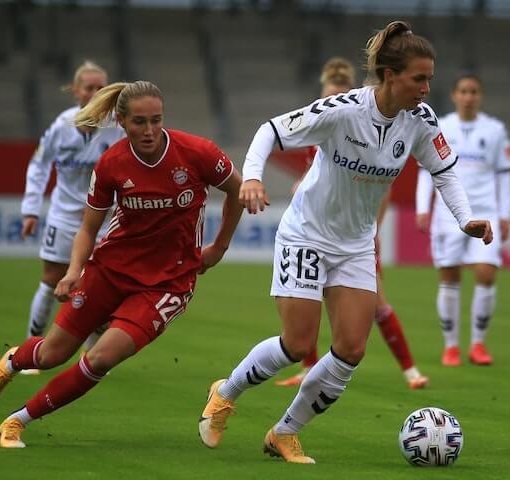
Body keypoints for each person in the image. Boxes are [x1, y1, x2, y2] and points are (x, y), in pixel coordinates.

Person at [198, 21, 492, 464]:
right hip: (306, 235)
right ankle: (226, 392)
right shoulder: (342, 110)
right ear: (391, 76)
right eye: (419, 78)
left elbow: (444, 171)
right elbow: (270, 132)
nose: (428, 88)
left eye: (430, 78)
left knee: (351, 349)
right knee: (298, 343)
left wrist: (466, 219)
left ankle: (284, 432)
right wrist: (253, 178)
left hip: (356, 243)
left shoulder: (421, 121)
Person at [0, 80, 244, 449]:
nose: (149, 131)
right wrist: (72, 272)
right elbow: (88, 228)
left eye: (156, 120)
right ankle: (11, 362)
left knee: (99, 358)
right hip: (110, 270)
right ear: (121, 121)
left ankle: (16, 422)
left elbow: (236, 191)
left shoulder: (197, 153)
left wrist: (219, 247)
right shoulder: (112, 163)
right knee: (52, 353)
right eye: (139, 122)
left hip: (167, 283)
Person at [276, 57, 429, 390]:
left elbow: (380, 190)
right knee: (307, 298)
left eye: (339, 95)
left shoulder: (364, 128)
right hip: (319, 231)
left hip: (357, 236)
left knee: (376, 304)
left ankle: (410, 369)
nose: (331, 102)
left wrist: (372, 233)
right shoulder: (316, 134)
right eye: (327, 96)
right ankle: (309, 368)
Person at [20, 61, 125, 372]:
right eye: (89, 87)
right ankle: (30, 348)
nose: (95, 93)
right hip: (63, 217)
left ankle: (92, 356)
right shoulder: (61, 126)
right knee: (51, 281)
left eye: (100, 87)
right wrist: (30, 208)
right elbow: (39, 165)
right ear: (76, 90)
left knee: (103, 284)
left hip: (104, 219)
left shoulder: (117, 127)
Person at [415, 72, 510, 367]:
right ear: (454, 95)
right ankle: (451, 347)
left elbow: (504, 174)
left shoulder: (495, 130)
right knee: (449, 277)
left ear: (480, 96)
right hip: (447, 214)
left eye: (474, 91)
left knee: (486, 273)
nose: (469, 96)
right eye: (463, 91)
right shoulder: (440, 126)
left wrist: (506, 215)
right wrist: (423, 207)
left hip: (486, 211)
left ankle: (478, 344)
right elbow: (426, 170)